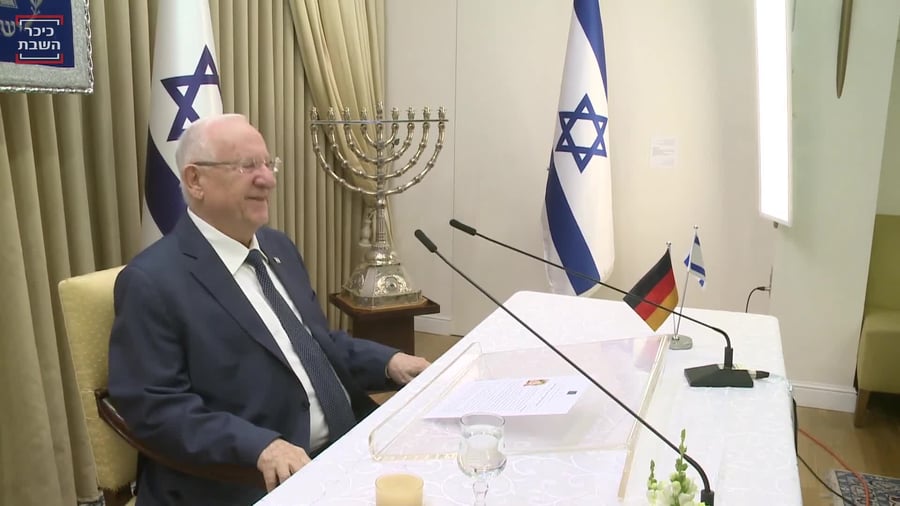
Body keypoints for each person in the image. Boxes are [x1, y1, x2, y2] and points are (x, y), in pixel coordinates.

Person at [108, 113, 430, 506]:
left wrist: (390, 362)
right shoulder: (151, 282)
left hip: (349, 449)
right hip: (246, 481)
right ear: (195, 181)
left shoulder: (277, 247)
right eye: (247, 166)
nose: (268, 180)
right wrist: (259, 446)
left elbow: (315, 344)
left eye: (267, 164)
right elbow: (155, 407)